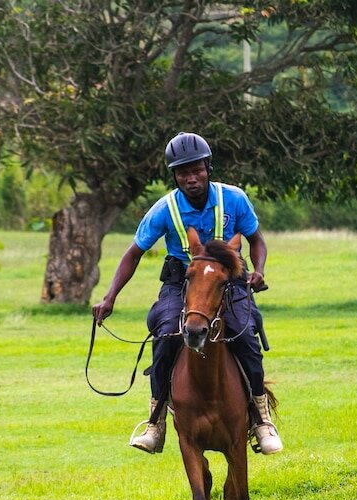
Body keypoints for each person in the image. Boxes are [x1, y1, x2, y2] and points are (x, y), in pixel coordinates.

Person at [91, 132, 283, 456]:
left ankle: (261, 419)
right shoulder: (164, 209)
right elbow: (133, 253)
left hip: (229, 282)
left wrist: (259, 270)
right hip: (180, 283)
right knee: (166, 334)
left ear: (208, 168)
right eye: (183, 173)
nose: (191, 178)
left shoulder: (234, 199)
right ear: (175, 176)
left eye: (196, 170)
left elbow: (256, 240)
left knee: (244, 333)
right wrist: (109, 297)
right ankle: (155, 421)